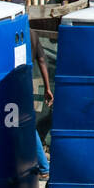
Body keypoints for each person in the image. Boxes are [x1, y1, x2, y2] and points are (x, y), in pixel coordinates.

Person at [31, 28, 54, 179]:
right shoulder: (32, 34)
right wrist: (47, 87)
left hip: (10, 86)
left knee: (26, 129)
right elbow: (41, 60)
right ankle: (43, 167)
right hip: (27, 84)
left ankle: (44, 167)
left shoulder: (10, 31)